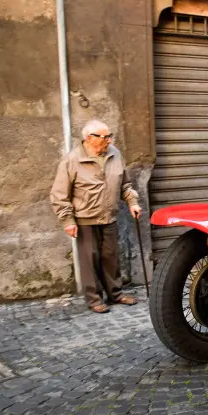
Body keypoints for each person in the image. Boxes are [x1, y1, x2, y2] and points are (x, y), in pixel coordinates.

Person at [50, 119, 142, 313]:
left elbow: (125, 184)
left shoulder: (115, 154)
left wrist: (132, 202)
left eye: (110, 136)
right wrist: (67, 220)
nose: (109, 140)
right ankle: (94, 299)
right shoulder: (72, 160)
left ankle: (116, 294)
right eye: (105, 137)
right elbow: (59, 194)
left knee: (111, 257)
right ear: (89, 138)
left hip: (109, 216)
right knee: (89, 260)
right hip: (85, 219)